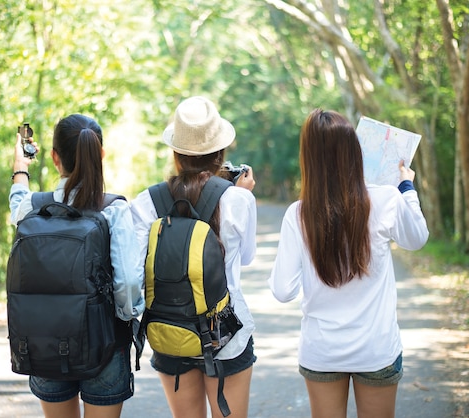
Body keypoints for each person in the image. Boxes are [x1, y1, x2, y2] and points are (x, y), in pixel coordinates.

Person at [268, 109, 429, 418]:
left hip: (322, 350)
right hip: (376, 348)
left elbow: (282, 291)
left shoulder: (298, 214)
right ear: (355, 151)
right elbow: (417, 238)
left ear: (308, 159)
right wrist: (406, 188)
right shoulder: (385, 199)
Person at [9, 114, 144, 418]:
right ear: (101, 155)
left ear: (55, 157)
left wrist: (21, 168)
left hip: (43, 339)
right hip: (104, 341)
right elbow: (127, 282)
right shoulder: (113, 209)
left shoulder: (33, 206)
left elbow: (16, 204)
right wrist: (126, 318)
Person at [130, 96, 257, 418]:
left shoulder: (147, 202)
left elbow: (133, 271)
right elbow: (245, 259)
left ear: (176, 154)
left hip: (170, 329)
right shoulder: (238, 199)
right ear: (220, 153)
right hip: (225, 332)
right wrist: (243, 195)